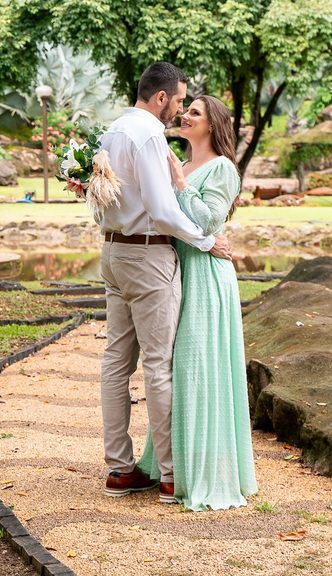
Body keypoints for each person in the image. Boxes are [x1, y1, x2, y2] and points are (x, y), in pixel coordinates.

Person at [98, 63, 234, 506]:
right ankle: (172, 475)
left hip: (113, 252)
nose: (178, 111)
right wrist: (206, 240)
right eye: (178, 101)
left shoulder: (112, 131)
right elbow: (162, 209)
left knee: (116, 360)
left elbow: (101, 196)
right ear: (161, 98)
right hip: (147, 255)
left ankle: (120, 469)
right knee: (158, 364)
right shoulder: (150, 135)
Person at [136, 95, 258, 511]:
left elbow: (209, 221)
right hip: (175, 270)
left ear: (211, 125)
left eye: (195, 113)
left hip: (207, 275)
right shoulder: (181, 165)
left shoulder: (221, 168)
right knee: (174, 366)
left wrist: (181, 183)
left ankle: (205, 471)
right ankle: (172, 466)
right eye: (185, 110)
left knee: (197, 365)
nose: (184, 116)